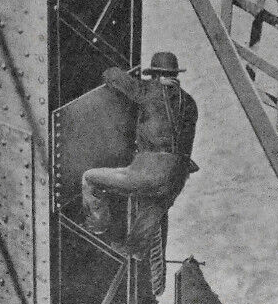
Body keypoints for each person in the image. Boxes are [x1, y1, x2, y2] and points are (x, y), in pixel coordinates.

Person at [81, 51, 198, 258]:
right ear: (174, 75)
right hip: (178, 175)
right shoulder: (190, 103)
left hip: (151, 170)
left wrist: (107, 70)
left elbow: (117, 78)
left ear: (155, 75)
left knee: (89, 178)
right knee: (154, 207)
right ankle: (134, 248)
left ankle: (99, 224)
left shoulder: (150, 90)